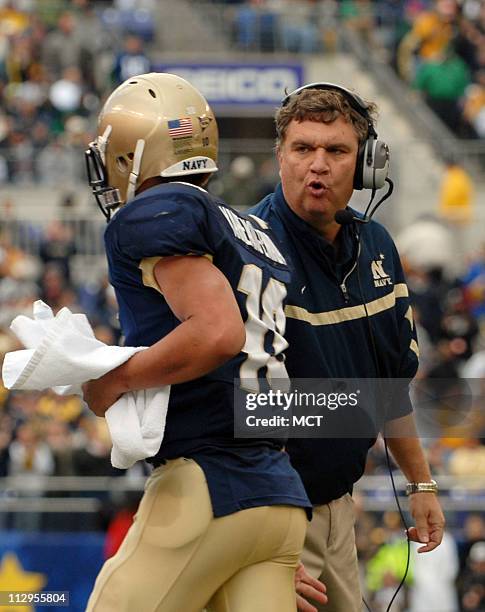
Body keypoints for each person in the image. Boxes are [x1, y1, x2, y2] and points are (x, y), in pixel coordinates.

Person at [81, 72, 313, 612]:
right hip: (275, 497)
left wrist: (113, 380)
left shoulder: (158, 211)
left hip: (207, 485)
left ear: (133, 152)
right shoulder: (252, 234)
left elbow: (216, 332)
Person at [248, 82, 446, 612]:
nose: (318, 165)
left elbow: (388, 389)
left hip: (339, 509)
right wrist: (263, 547)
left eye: (336, 151)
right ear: (281, 156)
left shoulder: (378, 245)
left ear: (365, 165)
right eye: (303, 148)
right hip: (273, 517)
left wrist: (420, 486)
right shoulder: (247, 251)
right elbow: (230, 417)